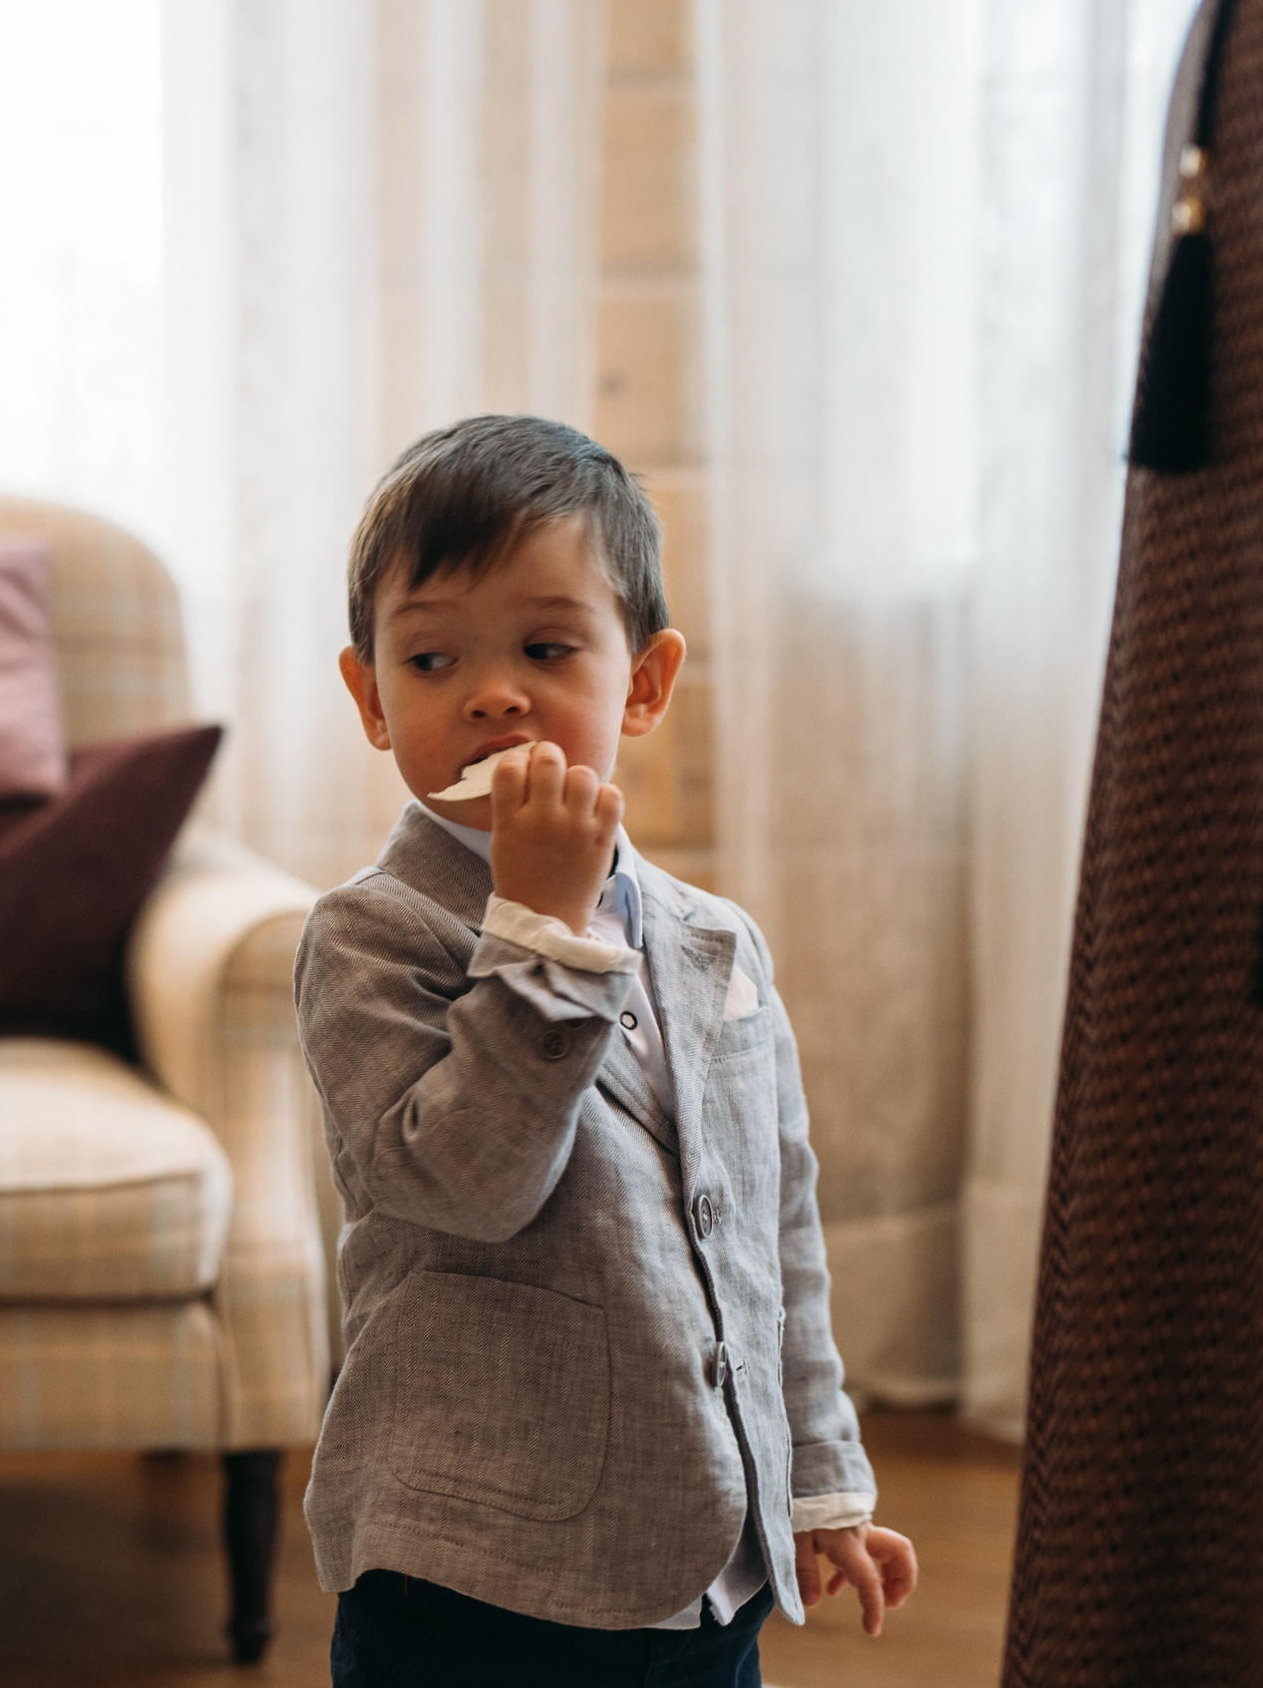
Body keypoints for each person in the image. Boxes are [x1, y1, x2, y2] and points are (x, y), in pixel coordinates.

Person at [296, 415, 919, 1685]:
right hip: (469, 1577)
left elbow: (772, 1231)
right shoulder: (368, 935)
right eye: (430, 656)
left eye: (545, 647)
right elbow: (464, 1185)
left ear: (640, 681)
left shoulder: (715, 941)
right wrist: (537, 928)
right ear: (370, 697)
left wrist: (818, 1481)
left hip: (703, 1564)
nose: (492, 691)